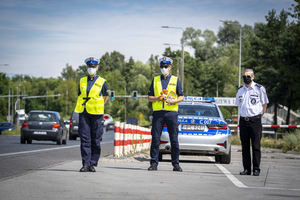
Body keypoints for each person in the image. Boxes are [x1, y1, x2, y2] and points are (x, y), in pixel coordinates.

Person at [147, 56, 184, 172]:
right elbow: (149, 98)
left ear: (170, 67)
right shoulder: (155, 80)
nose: (164, 68)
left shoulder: (175, 80)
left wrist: (174, 101)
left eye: (166, 66)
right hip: (158, 113)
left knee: (174, 140)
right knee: (156, 140)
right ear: (160, 67)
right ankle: (153, 164)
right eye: (162, 66)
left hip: (171, 113)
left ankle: (176, 164)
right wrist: (158, 98)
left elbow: (182, 96)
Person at [74, 57, 108, 172]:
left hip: (97, 114)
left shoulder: (102, 82)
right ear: (86, 67)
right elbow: (80, 95)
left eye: (93, 67)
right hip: (84, 113)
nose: (91, 68)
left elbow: (105, 97)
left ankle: (93, 164)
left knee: (95, 140)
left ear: (97, 68)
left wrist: (97, 105)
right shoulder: (82, 81)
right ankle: (85, 164)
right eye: (89, 66)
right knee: (85, 139)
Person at [235, 69, 269, 176]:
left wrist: (259, 116)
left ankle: (256, 169)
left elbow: (264, 104)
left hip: (255, 120)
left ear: (253, 77)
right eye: (244, 76)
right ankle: (246, 169)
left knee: (255, 146)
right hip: (243, 121)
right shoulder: (240, 90)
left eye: (248, 76)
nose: (246, 78)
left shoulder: (259, 89)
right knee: (245, 147)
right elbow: (239, 105)